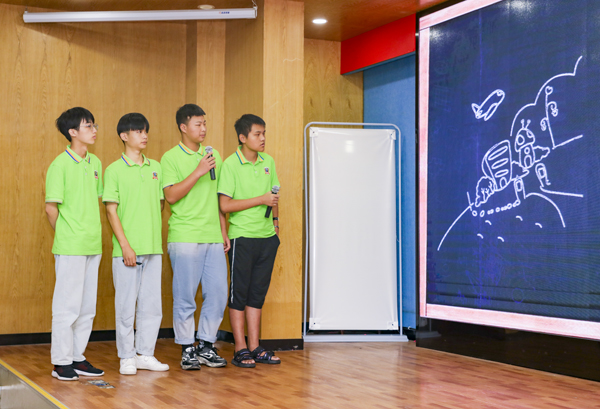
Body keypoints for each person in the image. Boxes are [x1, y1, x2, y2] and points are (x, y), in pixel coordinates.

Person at [161, 104, 229, 370]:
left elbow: (218, 198)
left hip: (213, 235)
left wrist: (223, 231)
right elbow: (171, 196)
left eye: (205, 123)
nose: (203, 129)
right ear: (183, 127)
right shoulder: (170, 158)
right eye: (198, 124)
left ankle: (206, 345)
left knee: (218, 293)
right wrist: (198, 171)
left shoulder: (213, 155)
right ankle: (187, 347)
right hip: (185, 235)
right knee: (185, 296)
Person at [103, 113, 169, 375]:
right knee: (126, 305)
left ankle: (145, 354)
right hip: (127, 249)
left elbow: (160, 204)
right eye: (138, 131)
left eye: (145, 131)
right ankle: (127, 356)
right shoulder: (113, 170)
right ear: (124, 136)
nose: (144, 136)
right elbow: (111, 210)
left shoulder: (156, 167)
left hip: (153, 246)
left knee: (152, 305)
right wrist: (126, 246)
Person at [45, 107, 105, 381]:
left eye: (94, 125)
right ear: (72, 132)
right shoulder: (59, 165)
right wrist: (67, 235)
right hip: (70, 246)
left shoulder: (96, 163)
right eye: (88, 126)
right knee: (66, 307)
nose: (94, 130)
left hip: (93, 244)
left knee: (87, 308)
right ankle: (60, 362)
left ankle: (77, 356)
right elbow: (51, 208)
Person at [217, 114, 281, 368]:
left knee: (257, 294)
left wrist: (276, 225)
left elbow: (274, 196)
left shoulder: (268, 161)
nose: (262, 138)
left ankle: (255, 346)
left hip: (267, 238)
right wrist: (260, 200)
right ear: (243, 138)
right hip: (242, 237)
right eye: (257, 134)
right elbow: (225, 205)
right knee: (239, 294)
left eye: (264, 133)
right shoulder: (230, 164)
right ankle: (240, 348)